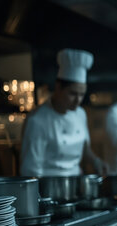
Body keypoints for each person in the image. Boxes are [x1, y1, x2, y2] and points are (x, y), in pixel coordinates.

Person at [21, 48, 105, 177]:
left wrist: (96, 161)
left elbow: (84, 147)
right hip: (49, 187)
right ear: (58, 87)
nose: (78, 100)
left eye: (82, 94)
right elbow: (31, 169)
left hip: (74, 183)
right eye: (72, 93)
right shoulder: (38, 120)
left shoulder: (80, 114)